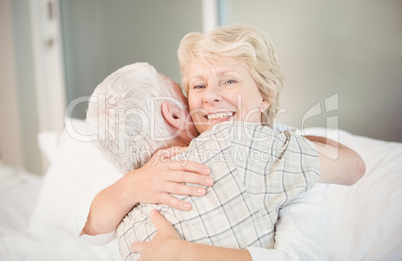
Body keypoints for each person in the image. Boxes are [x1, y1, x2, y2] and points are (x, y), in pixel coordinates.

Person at [129, 24, 365, 260]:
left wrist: (186, 254)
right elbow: (97, 232)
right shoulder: (173, 154)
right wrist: (131, 184)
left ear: (265, 95)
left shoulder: (295, 161)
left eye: (229, 81)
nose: (210, 96)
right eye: (199, 86)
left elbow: (301, 257)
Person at [86, 62, 321, 261]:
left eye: (229, 82)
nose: (208, 99)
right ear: (174, 116)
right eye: (192, 90)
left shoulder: (125, 223)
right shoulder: (234, 147)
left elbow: (89, 230)